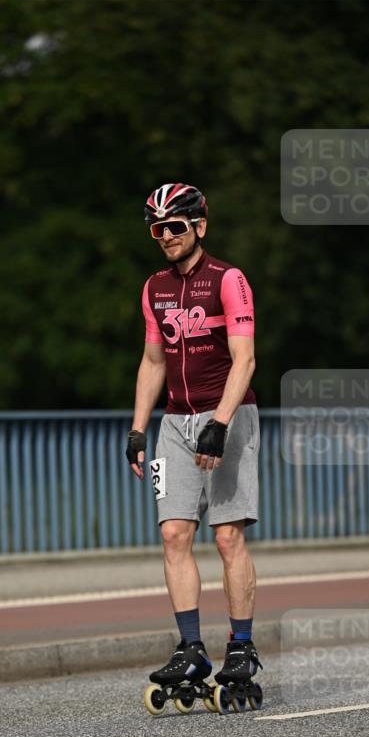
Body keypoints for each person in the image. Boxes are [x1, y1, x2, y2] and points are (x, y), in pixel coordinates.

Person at [126, 182, 261, 698]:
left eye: (175, 227)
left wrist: (220, 422)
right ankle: (190, 648)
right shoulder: (154, 288)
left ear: (199, 226)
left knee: (227, 537)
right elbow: (152, 361)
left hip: (229, 414)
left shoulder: (229, 280)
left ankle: (242, 647)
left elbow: (245, 359)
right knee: (174, 535)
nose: (166, 237)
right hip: (175, 424)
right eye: (158, 229)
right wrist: (139, 429)